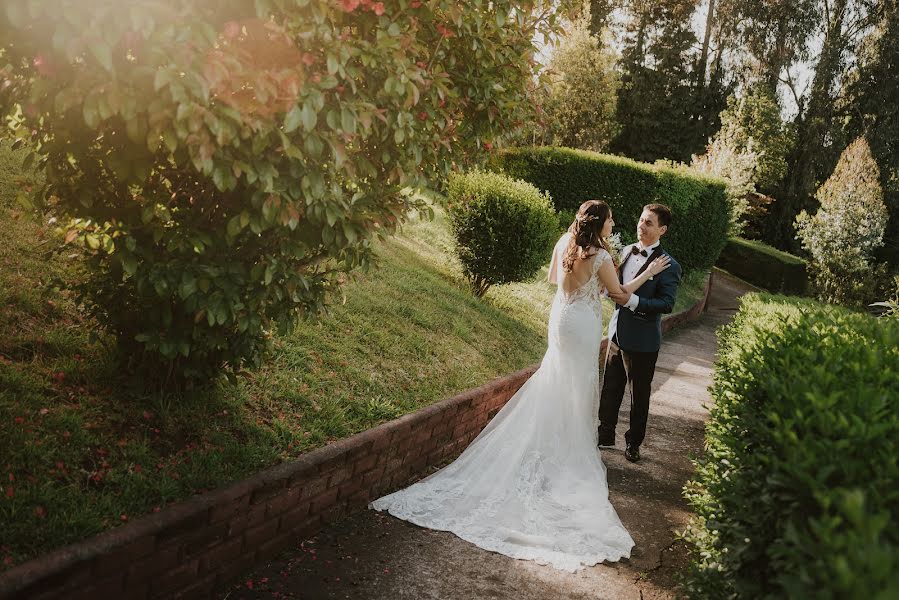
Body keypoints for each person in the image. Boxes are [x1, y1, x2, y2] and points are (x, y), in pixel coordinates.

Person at [370, 200, 671, 572]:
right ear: (600, 224)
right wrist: (644, 275)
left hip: (562, 318)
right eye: (611, 221)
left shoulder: (565, 242)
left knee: (555, 380)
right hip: (583, 327)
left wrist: (583, 287)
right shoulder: (602, 258)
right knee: (575, 389)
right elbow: (620, 295)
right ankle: (561, 452)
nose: (614, 226)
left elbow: (552, 280)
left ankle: (544, 443)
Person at [598, 204, 682, 463]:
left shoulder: (669, 265)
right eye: (641, 220)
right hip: (616, 333)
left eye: (648, 223)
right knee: (610, 388)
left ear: (662, 229)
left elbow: (666, 304)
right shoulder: (624, 252)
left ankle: (633, 443)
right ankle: (604, 435)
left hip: (644, 341)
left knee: (639, 395)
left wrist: (632, 302)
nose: (641, 226)